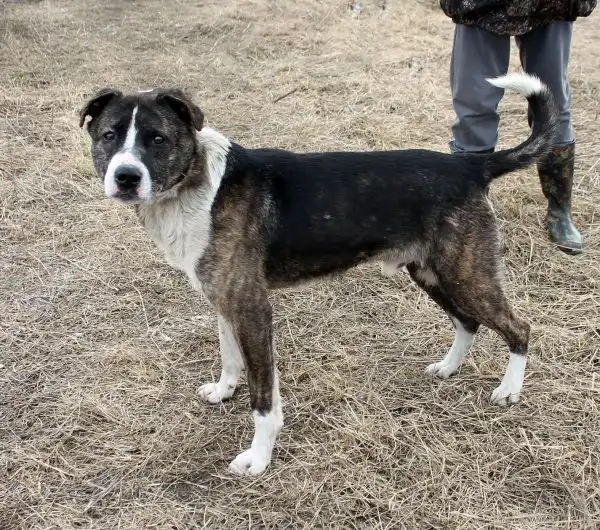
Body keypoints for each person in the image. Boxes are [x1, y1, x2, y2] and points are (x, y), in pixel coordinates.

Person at [440, 0, 597, 254]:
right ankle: (469, 210)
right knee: (474, 102)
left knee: (553, 101)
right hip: (478, 5)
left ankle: (560, 211)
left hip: (550, 5)